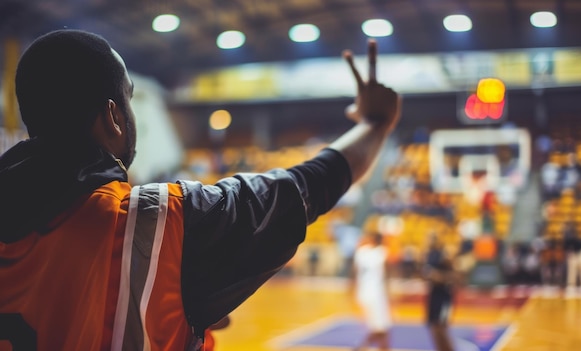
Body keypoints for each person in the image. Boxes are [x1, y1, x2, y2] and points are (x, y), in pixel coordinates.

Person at [0, 29, 401, 350]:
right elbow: (305, 187)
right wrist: (375, 123)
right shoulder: (156, 223)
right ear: (112, 117)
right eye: (129, 100)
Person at [351, 232, 392, 351]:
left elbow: (353, 273)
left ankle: (362, 347)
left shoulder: (361, 252)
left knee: (380, 329)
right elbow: (387, 274)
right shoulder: (381, 252)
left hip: (363, 293)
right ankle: (361, 348)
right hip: (376, 295)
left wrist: (351, 291)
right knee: (382, 329)